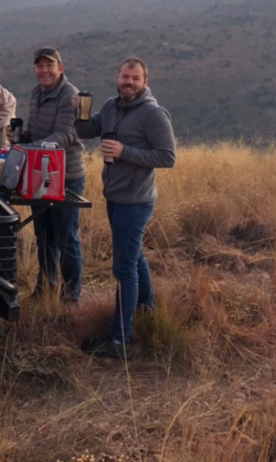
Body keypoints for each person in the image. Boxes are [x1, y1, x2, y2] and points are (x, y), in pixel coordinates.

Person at [75, 57, 176, 359]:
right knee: (134, 257)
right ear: (117, 78)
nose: (128, 83)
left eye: (135, 78)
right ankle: (148, 309)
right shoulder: (110, 106)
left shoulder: (153, 114)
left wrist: (125, 152)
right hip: (116, 197)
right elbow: (86, 130)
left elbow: (168, 157)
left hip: (137, 201)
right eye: (124, 77)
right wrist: (78, 110)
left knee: (123, 268)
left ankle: (121, 340)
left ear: (145, 82)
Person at [18, 47, 85, 302]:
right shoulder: (36, 93)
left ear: (60, 67)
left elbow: (65, 135)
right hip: (39, 174)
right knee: (44, 236)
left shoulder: (70, 95)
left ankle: (71, 298)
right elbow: (35, 132)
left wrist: (31, 147)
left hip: (66, 175)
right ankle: (45, 290)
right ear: (34, 68)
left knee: (66, 238)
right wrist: (19, 138)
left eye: (50, 65)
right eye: (40, 65)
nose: (45, 70)